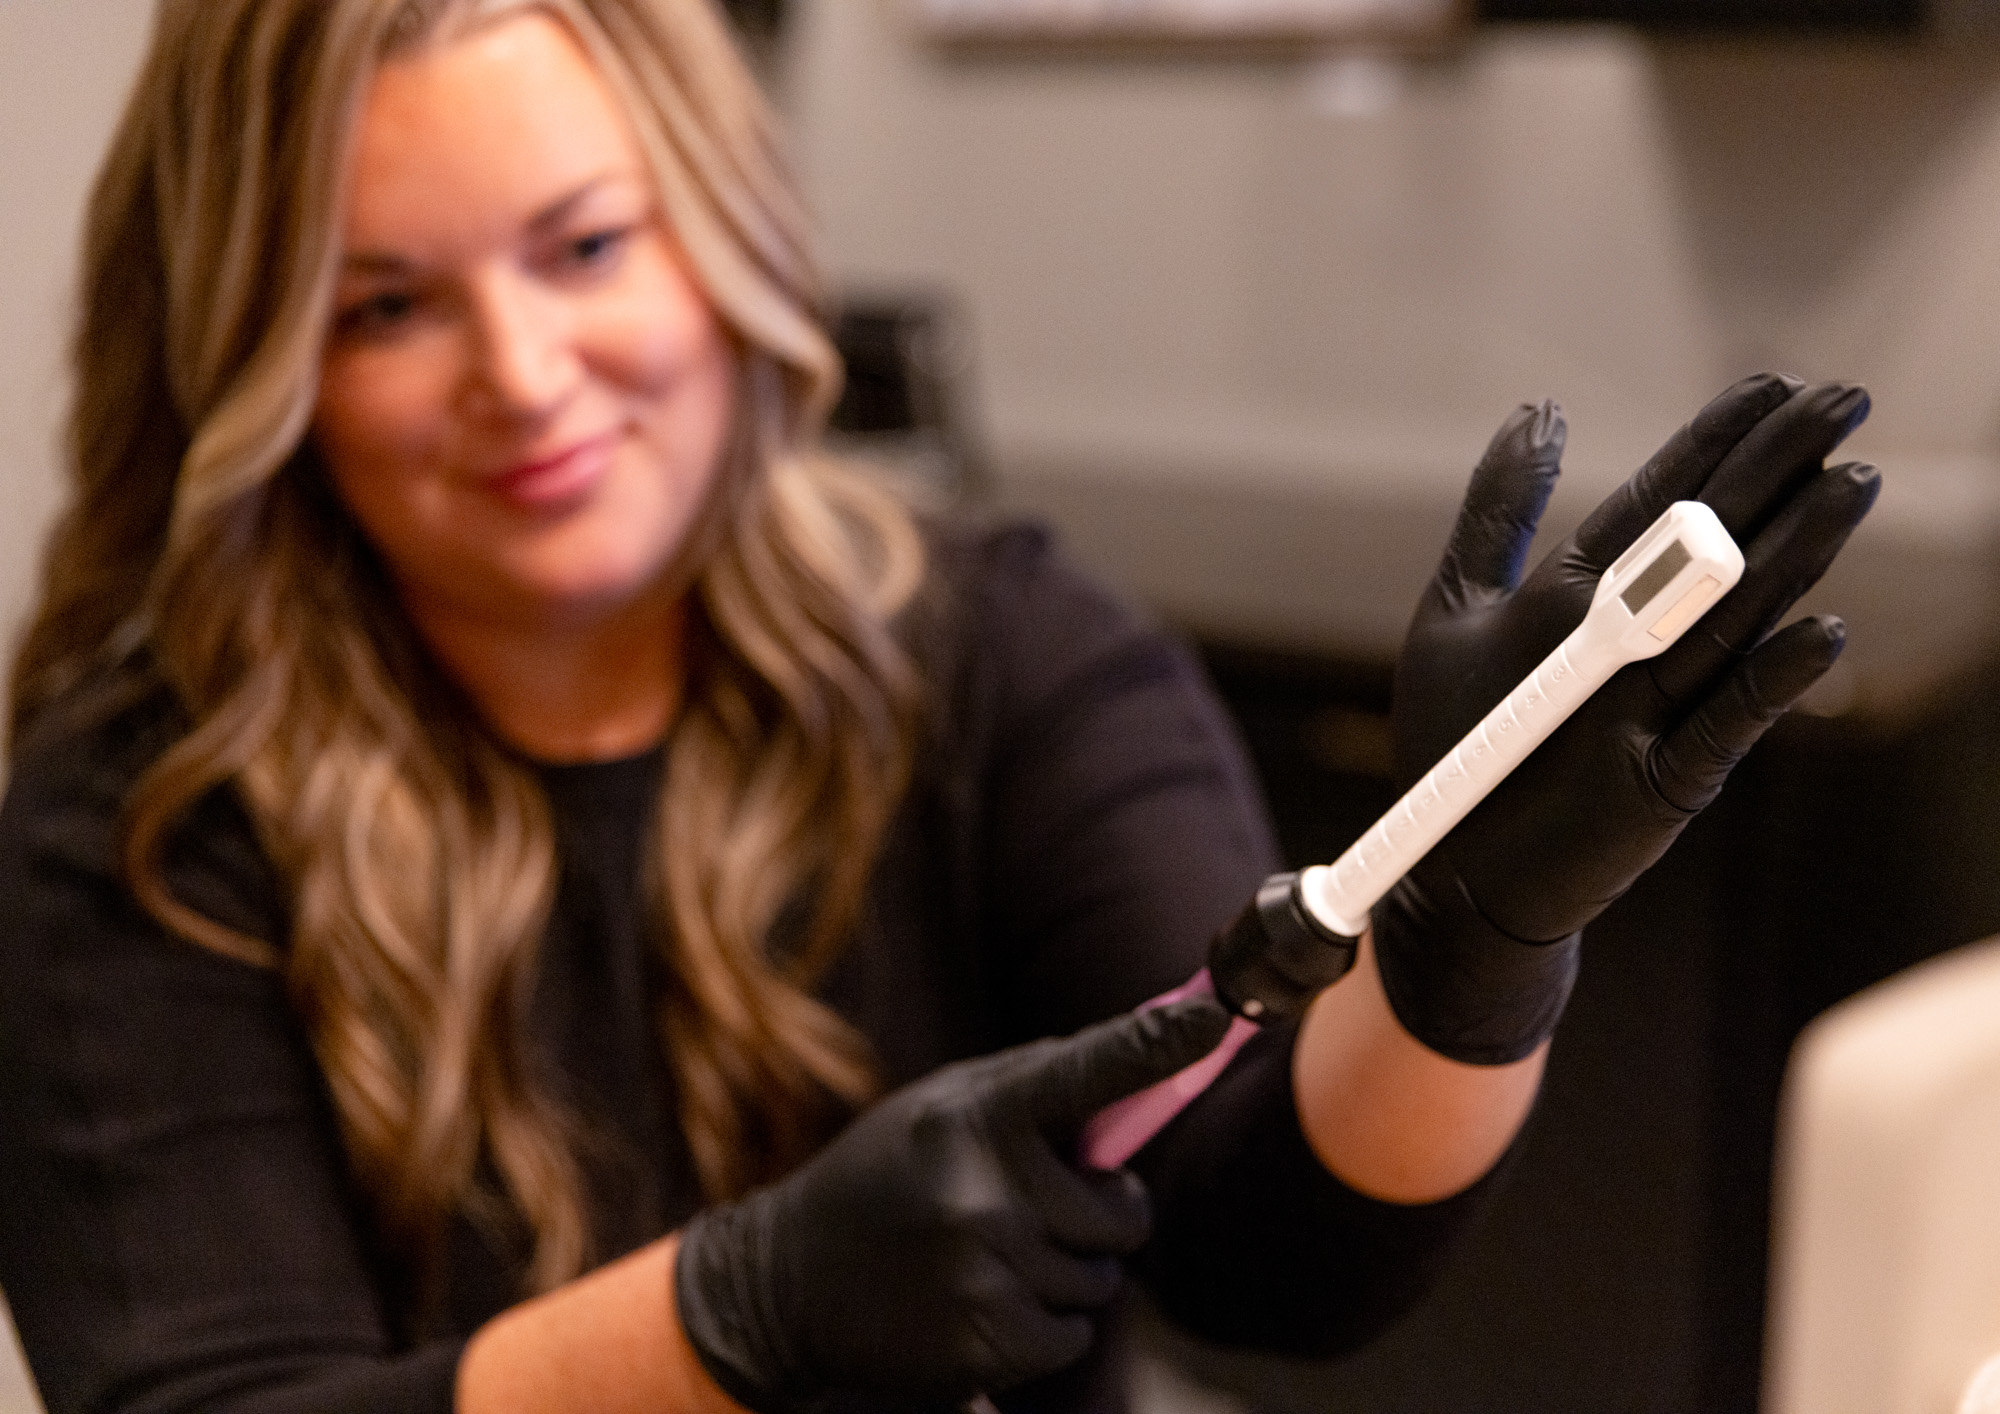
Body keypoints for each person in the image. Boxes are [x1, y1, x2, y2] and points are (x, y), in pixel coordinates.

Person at [0, 1, 1879, 1411]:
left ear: (715, 232)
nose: (521, 371)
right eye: (385, 303)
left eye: (583, 247)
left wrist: (1471, 954)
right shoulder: (136, 812)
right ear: (256, 350)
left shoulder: (999, 647)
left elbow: (1277, 1245)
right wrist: (726, 1315)